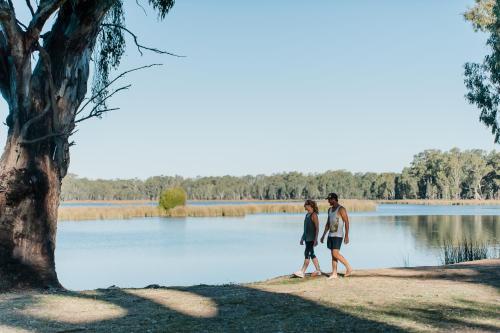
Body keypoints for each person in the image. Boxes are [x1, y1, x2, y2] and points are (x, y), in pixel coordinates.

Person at [320, 193, 353, 279]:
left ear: (334, 199)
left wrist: (346, 236)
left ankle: (348, 267)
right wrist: (323, 235)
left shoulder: (341, 209)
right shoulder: (330, 210)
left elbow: (347, 222)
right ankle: (334, 273)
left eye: (329, 200)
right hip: (331, 235)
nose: (328, 201)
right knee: (333, 254)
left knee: (335, 253)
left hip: (338, 236)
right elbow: (328, 223)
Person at [293, 199, 322, 278]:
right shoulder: (307, 215)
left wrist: (316, 239)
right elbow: (305, 229)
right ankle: (318, 270)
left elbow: (317, 228)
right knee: (311, 254)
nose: (304, 206)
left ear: (310, 206)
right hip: (307, 239)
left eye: (305, 205)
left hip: (312, 239)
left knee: (307, 254)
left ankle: (302, 272)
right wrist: (302, 238)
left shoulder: (314, 215)